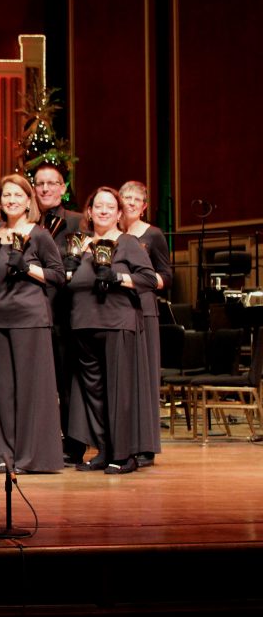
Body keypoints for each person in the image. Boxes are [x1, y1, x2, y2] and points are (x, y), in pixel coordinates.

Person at [66, 187, 158, 474]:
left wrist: (118, 277)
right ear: (89, 212)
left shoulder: (127, 242)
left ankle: (125, 454)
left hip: (117, 324)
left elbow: (149, 279)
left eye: (110, 206)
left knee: (119, 391)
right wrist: (69, 270)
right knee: (93, 393)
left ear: (119, 213)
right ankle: (104, 450)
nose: (104, 211)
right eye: (98, 206)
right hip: (83, 324)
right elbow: (70, 283)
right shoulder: (80, 245)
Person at [0, 174, 65, 474]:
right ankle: (5, 454)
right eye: (6, 195)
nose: (11, 200)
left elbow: (57, 275)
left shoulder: (38, 235)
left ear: (28, 200)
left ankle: (32, 457)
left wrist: (27, 268)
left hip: (30, 318)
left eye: (18, 195)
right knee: (2, 390)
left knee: (31, 390)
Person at [33, 161, 85, 464]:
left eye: (52, 183)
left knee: (67, 382)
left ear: (63, 188)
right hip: (32, 313)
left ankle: (73, 443)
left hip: (64, 315)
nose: (45, 189)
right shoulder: (27, 223)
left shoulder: (78, 222)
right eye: (40, 183)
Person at [121, 180, 172, 467]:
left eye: (134, 198)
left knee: (146, 377)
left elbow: (166, 275)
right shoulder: (113, 235)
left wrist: (142, 281)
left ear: (144, 206)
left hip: (144, 308)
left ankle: (146, 445)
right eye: (124, 197)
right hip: (117, 311)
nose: (129, 202)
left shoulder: (152, 234)